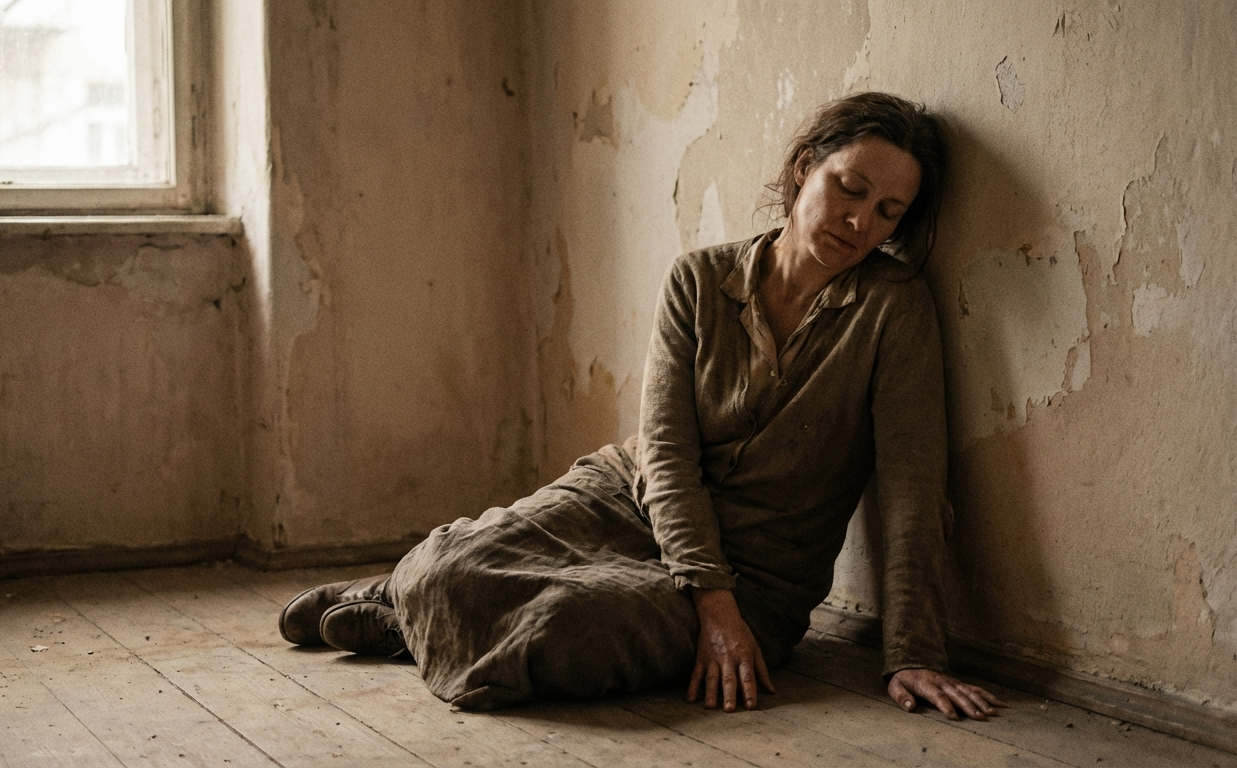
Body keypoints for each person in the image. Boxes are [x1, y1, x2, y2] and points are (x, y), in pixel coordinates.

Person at [279, 91, 1006, 720]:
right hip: (628, 497)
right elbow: (666, 452)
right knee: (449, 559)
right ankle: (407, 594)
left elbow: (912, 487)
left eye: (887, 212)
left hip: (759, 578)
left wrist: (912, 653)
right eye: (849, 188)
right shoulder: (698, 279)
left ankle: (409, 623)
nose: (860, 222)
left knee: (568, 628)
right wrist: (707, 605)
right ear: (803, 167)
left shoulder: (895, 310)